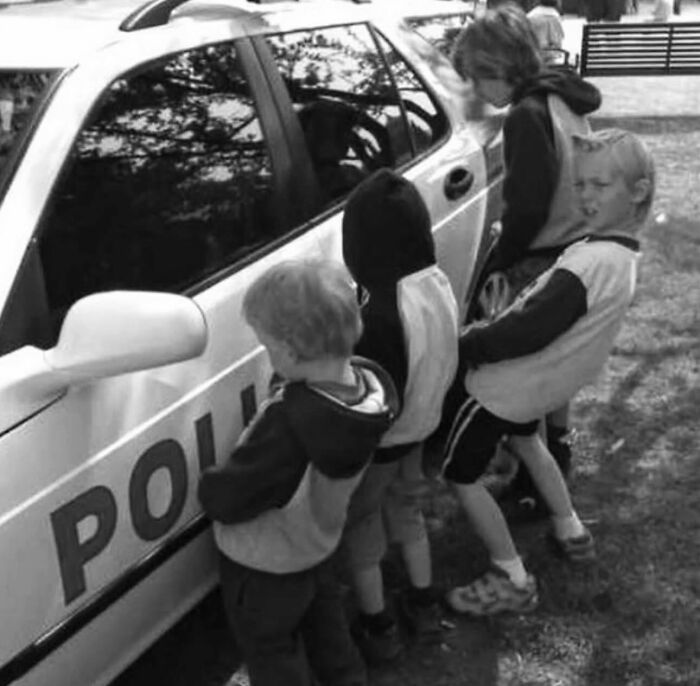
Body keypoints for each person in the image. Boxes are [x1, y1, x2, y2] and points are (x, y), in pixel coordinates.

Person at [441, 128, 655, 616]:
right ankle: (570, 529)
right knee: (529, 441)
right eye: (581, 185)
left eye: (600, 186)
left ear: (638, 191)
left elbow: (525, 331)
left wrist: (468, 342)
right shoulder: (620, 256)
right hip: (544, 386)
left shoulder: (587, 264)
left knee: (461, 476)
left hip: (501, 387)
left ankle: (510, 575)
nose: (585, 196)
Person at [197, 258, 399, 686]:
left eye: (267, 347)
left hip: (263, 568)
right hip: (317, 548)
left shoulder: (289, 425)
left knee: (273, 653)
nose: (268, 356)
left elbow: (233, 496)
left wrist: (209, 486)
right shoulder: (365, 392)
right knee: (328, 634)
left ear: (289, 351)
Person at [451, 3, 602, 519]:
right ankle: (557, 451)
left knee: (529, 368)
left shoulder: (525, 116)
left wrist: (502, 252)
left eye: (475, 79)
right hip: (579, 245)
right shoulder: (563, 95)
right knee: (557, 364)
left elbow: (529, 205)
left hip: (543, 258)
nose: (476, 93)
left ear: (497, 70)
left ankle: (535, 474)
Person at [340, 169, 459, 663]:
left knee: (363, 521)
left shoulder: (380, 312)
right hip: (423, 423)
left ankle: (377, 623)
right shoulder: (435, 281)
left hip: (385, 439)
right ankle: (424, 601)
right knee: (408, 509)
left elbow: (375, 393)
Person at [527, 0, 565, 65]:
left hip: (531, 55)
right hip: (548, 57)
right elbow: (557, 42)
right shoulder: (554, 16)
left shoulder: (530, 15)